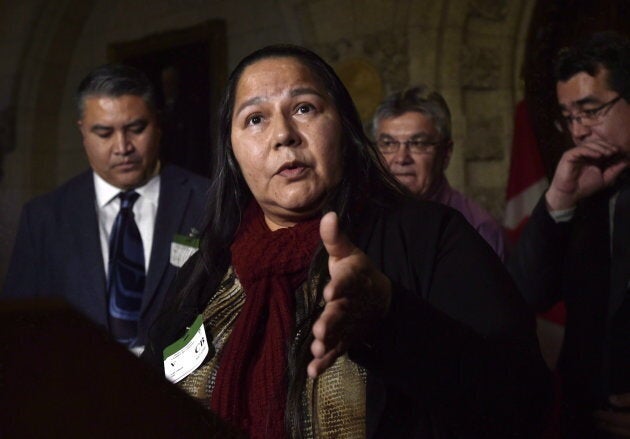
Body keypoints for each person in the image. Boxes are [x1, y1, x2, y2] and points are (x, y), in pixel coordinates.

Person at [142, 44, 549, 438]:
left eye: (304, 108)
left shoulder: (429, 236)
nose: (284, 135)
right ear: (231, 150)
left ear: (344, 127)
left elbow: (523, 402)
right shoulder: (209, 268)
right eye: (255, 119)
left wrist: (392, 315)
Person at [3, 64, 210, 351]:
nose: (122, 147)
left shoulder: (208, 201)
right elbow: (19, 330)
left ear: (158, 124)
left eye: (136, 129)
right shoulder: (44, 217)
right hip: (77, 390)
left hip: (184, 391)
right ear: (83, 133)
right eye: (104, 133)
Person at [508, 31, 630, 438]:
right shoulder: (582, 191)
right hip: (583, 419)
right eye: (569, 117)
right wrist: (560, 198)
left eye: (590, 110)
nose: (578, 131)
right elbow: (529, 293)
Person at [372, 86, 505, 260]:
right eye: (388, 144)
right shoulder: (363, 220)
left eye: (418, 143)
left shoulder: (478, 228)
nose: (401, 158)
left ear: (446, 153)